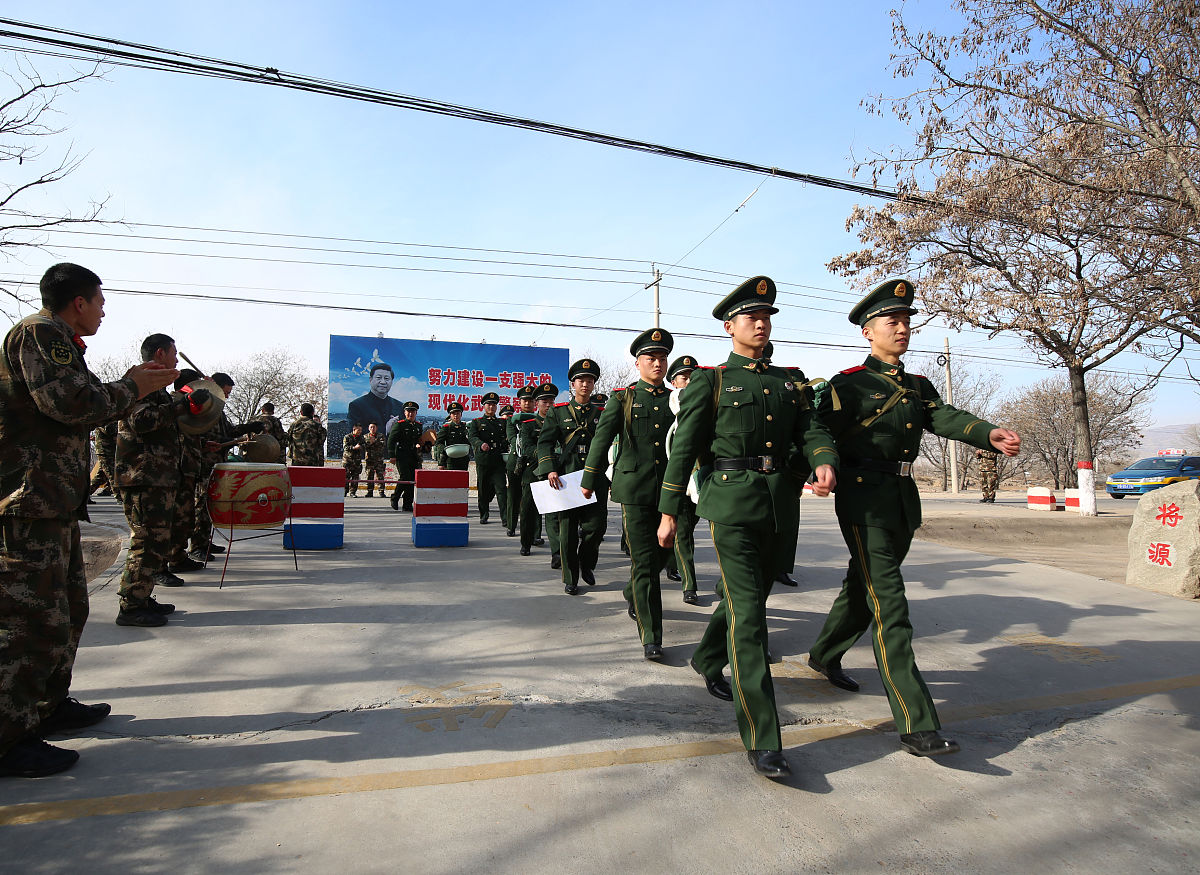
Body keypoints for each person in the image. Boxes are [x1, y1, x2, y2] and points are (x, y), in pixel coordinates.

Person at [805, 278, 1021, 758]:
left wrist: (988, 434)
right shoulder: (848, 384)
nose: (902, 328)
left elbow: (944, 417)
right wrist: (822, 465)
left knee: (863, 585)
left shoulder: (916, 386)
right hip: (863, 501)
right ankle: (915, 720)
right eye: (891, 321)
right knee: (890, 603)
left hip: (901, 498)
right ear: (868, 331)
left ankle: (823, 654)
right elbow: (818, 430)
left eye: (906, 321)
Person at [0, 263, 177, 777]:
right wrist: (134, 387)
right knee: (27, 623)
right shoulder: (40, 334)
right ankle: (9, 736)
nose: (103, 310)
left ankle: (48, 706)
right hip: (26, 504)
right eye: (100, 301)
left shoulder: (60, 341)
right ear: (78, 301)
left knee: (64, 613)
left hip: (50, 503)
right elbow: (72, 403)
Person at [658, 276, 838, 780]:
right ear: (729, 325)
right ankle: (763, 737)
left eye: (767, 316)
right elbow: (685, 449)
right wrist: (670, 511)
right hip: (732, 504)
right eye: (750, 317)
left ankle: (705, 658)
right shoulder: (710, 381)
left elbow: (811, 430)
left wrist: (822, 460)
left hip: (780, 505)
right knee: (751, 623)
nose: (760, 323)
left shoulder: (791, 380)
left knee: (749, 601)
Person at [583, 329, 677, 660]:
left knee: (667, 550)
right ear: (638, 363)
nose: (658, 363)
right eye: (651, 358)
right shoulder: (622, 399)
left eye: (663, 357)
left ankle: (632, 591)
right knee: (645, 561)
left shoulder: (675, 399)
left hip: (669, 489)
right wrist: (590, 476)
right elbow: (602, 438)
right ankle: (652, 636)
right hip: (634, 489)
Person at [114, 334, 208, 627]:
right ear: (160, 353)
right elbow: (140, 422)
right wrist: (181, 406)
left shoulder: (158, 389)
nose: (177, 360)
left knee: (157, 542)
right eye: (174, 354)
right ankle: (131, 605)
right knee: (146, 541)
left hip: (160, 477)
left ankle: (142, 596)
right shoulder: (141, 383)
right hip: (144, 475)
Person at [540, 359, 606, 595]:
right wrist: (550, 468)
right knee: (567, 530)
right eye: (581, 380)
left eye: (589, 380)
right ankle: (571, 577)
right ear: (573, 384)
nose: (585, 385)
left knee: (596, 527)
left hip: (595, 476)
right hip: (567, 475)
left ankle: (586, 564)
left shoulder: (601, 414)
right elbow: (545, 442)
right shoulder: (558, 413)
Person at [191, 371, 264, 559]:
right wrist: (210, 443)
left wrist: (247, 427)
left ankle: (204, 540)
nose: (228, 397)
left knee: (211, 504)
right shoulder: (202, 407)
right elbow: (193, 433)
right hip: (203, 463)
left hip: (216, 463)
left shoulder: (218, 409)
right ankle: (197, 545)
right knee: (201, 504)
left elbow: (228, 432)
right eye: (226, 393)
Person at [663, 355, 701, 603]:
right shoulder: (667, 411)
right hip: (677, 482)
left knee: (688, 529)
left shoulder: (704, 408)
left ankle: (671, 561)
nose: (688, 383)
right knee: (684, 531)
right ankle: (690, 585)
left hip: (702, 482)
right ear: (674, 382)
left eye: (692, 378)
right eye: (683, 378)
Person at [165, 369, 208, 574]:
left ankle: (178, 556)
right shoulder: (174, 402)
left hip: (189, 467)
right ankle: (168, 560)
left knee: (185, 516)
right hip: (176, 468)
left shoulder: (191, 405)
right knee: (175, 517)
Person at [513, 385, 547, 555]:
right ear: (537, 403)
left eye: (551, 401)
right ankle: (526, 543)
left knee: (554, 513)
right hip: (532, 471)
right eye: (544, 401)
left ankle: (554, 548)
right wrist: (546, 456)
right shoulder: (528, 425)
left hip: (554, 471)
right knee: (528, 509)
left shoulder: (558, 422)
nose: (547, 405)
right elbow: (526, 447)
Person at [468, 392, 509, 524]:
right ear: (484, 406)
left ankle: (505, 518)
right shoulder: (477, 422)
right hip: (484, 460)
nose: (491, 407)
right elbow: (472, 437)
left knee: (502, 489)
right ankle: (484, 514)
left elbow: (508, 437)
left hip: (498, 461)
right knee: (483, 489)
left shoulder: (502, 423)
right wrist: (480, 444)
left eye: (494, 405)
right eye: (489, 404)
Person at [506, 386, 536, 539]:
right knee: (513, 495)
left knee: (534, 498)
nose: (527, 403)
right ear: (519, 402)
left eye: (531, 400)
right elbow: (512, 438)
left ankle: (535, 533)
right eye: (525, 400)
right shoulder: (512, 420)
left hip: (532, 463)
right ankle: (511, 526)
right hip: (515, 462)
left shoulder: (539, 420)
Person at [346, 362, 405, 432]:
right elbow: (354, 434)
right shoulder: (357, 405)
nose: (383, 382)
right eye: (378, 378)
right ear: (370, 380)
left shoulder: (400, 406)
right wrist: (386, 429)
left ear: (392, 381)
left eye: (386, 378)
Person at [388, 401, 423, 511]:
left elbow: (420, 440)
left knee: (413, 480)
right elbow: (391, 440)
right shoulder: (400, 424)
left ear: (416, 413)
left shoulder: (418, 426)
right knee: (405, 477)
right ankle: (395, 497)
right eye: (408, 411)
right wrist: (392, 455)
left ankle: (407, 504)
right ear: (404, 412)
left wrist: (423, 445)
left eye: (412, 412)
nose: (410, 414)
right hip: (402, 455)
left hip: (414, 456)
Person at [434, 403, 470, 471]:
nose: (456, 415)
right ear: (450, 415)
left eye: (458, 413)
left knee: (462, 480)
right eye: (453, 414)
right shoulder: (446, 428)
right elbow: (438, 443)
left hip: (463, 460)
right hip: (450, 460)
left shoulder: (465, 427)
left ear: (461, 414)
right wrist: (445, 450)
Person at [89, 420, 119, 497]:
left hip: (111, 449)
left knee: (102, 475)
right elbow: (108, 429)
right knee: (112, 474)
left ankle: (84, 495)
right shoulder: (106, 416)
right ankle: (120, 497)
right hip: (106, 450)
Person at [363, 422, 387, 497]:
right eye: (371, 427)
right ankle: (370, 491)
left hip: (379, 459)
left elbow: (382, 445)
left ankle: (381, 491)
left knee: (380, 476)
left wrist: (374, 442)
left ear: (376, 428)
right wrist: (371, 443)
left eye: (374, 427)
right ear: (368, 428)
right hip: (369, 459)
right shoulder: (365, 436)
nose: (372, 429)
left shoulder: (380, 436)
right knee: (369, 476)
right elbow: (364, 446)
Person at [342, 424, 367, 497]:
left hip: (357, 461)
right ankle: (344, 491)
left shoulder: (361, 438)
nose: (360, 432)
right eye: (358, 430)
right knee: (346, 477)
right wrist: (354, 447)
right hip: (348, 460)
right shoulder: (347, 437)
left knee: (355, 477)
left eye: (361, 430)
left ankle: (353, 492)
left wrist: (361, 447)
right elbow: (345, 447)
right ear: (354, 430)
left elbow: (364, 446)